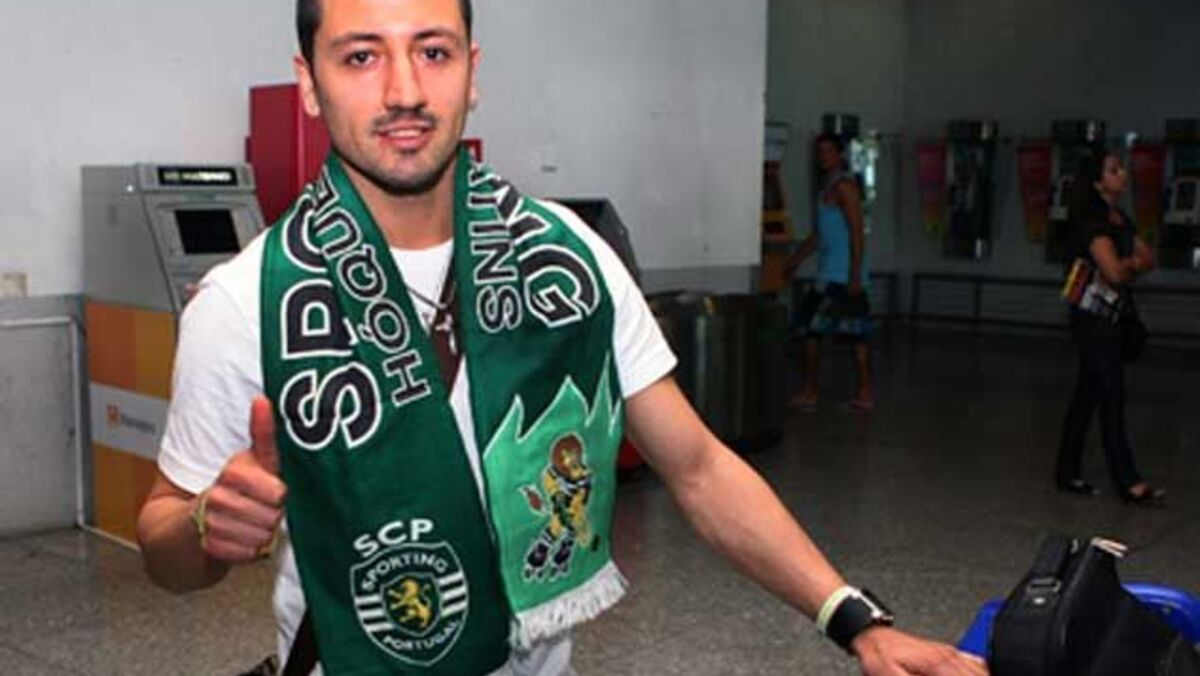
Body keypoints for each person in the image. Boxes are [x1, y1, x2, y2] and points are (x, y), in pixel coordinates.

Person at [136, 1, 987, 674]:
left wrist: (855, 620)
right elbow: (163, 543)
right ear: (309, 83)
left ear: (473, 72)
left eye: (433, 51)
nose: (403, 90)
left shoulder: (566, 260)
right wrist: (205, 527)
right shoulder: (250, 301)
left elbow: (698, 468)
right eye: (361, 56)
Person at [1055, 148, 1164, 505]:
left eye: (1122, 169)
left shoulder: (1118, 218)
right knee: (1111, 397)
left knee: (1086, 397)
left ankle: (1066, 471)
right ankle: (1128, 481)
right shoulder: (1092, 221)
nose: (1123, 175)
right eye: (1114, 170)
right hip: (1093, 320)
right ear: (1097, 181)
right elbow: (1116, 271)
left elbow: (1147, 257)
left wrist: (1127, 264)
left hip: (1111, 317)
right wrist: (1131, 264)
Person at [785, 133, 874, 413]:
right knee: (844, 335)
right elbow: (819, 235)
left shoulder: (845, 187)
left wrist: (855, 274)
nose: (823, 156)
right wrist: (795, 259)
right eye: (820, 151)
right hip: (828, 274)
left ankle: (814, 391)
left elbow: (857, 231)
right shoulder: (825, 189)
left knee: (819, 331)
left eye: (828, 151)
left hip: (843, 277)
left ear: (840, 155)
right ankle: (860, 392)